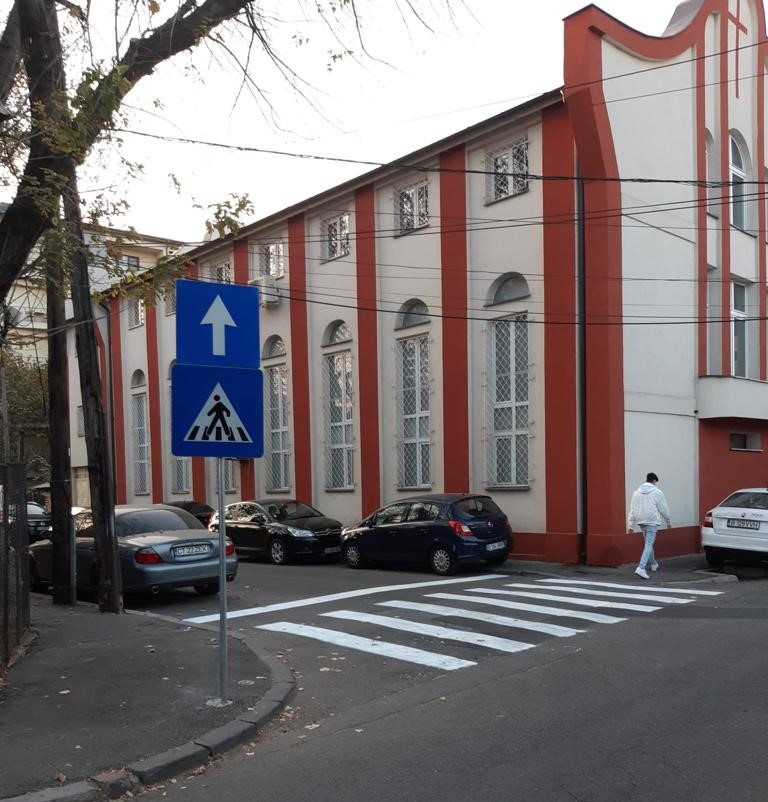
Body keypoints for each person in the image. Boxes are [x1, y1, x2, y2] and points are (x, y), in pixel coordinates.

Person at [627, 472, 671, 579]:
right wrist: (668, 521)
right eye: (656, 482)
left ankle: (654, 563)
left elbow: (632, 510)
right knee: (648, 544)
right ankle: (641, 567)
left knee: (648, 544)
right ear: (654, 481)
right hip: (652, 521)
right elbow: (664, 509)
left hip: (641, 521)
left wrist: (630, 525)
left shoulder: (636, 493)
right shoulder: (657, 492)